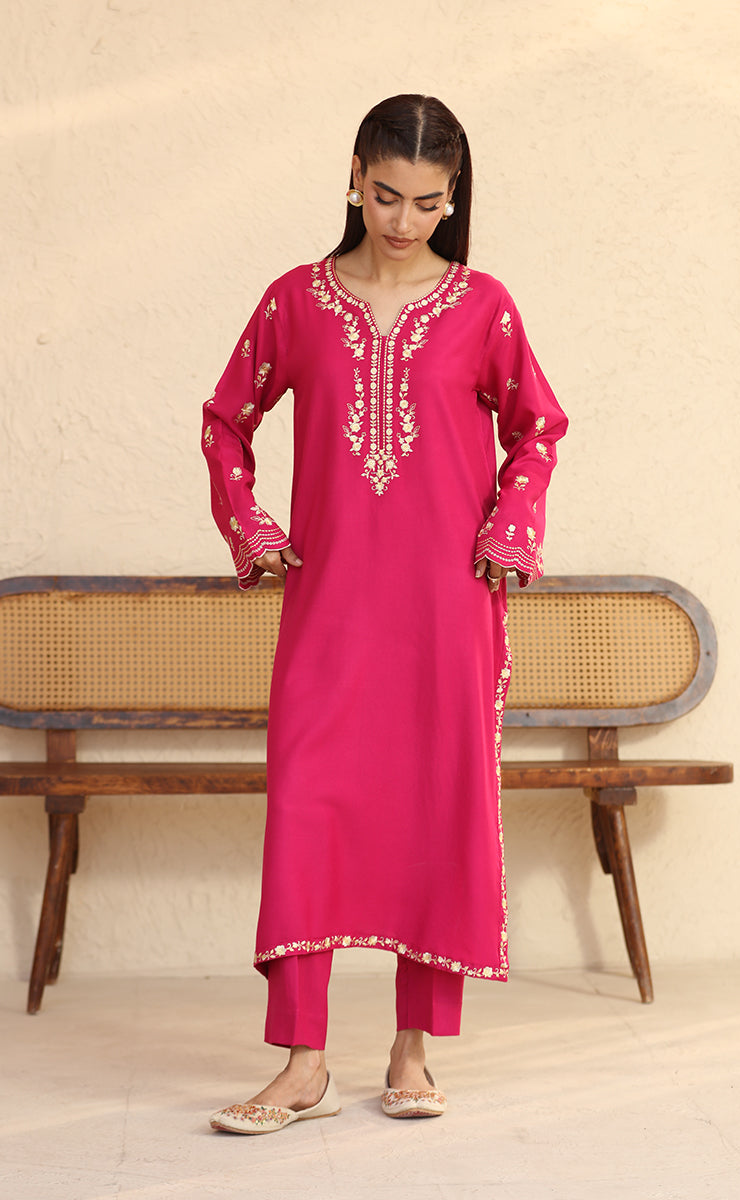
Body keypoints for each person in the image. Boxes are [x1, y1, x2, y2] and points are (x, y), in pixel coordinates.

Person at [202, 94, 568, 1134]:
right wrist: (251, 526)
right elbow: (226, 420)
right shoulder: (295, 302)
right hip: (329, 604)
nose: (403, 221)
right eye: (384, 195)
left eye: (427, 202)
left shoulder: (482, 305)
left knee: (431, 807)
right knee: (308, 808)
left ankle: (411, 1052)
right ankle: (301, 1062)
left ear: (453, 199)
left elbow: (536, 429)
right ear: (352, 177)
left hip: (444, 605)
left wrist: (511, 524)